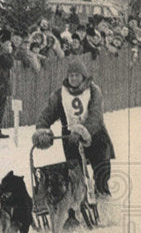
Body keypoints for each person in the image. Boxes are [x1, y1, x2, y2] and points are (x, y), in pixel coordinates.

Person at [33, 57, 115, 196]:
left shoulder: (94, 91)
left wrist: (82, 131)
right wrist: (43, 130)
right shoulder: (60, 94)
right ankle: (80, 203)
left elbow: (95, 116)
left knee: (102, 173)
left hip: (96, 137)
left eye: (77, 75)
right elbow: (48, 113)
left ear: (83, 76)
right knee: (76, 176)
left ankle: (103, 198)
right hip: (70, 139)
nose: (74, 79)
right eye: (71, 76)